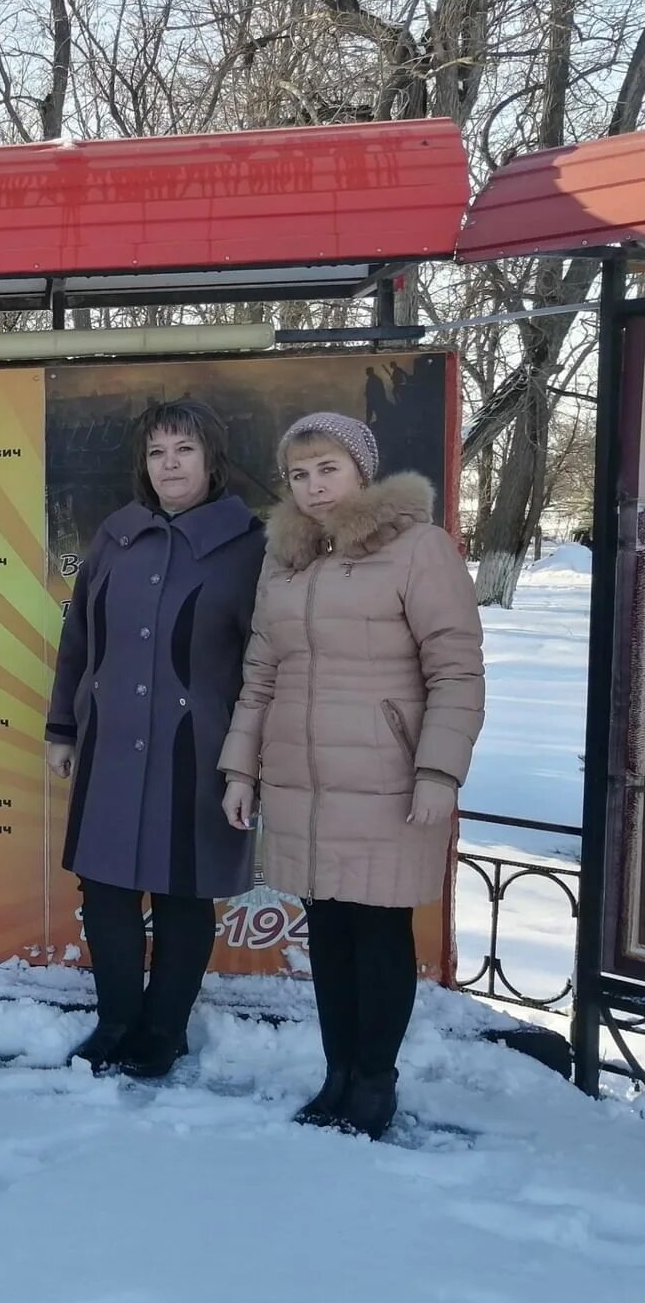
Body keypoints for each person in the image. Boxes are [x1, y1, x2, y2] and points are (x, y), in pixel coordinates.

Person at [220, 413, 484, 1139]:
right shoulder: (286, 561)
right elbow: (261, 673)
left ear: (361, 468)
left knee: (378, 931)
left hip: (389, 779)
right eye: (299, 475)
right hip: (304, 780)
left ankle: (374, 1082)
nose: (313, 487)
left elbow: (456, 669)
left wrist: (438, 769)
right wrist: (242, 767)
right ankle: (337, 1074)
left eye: (327, 469)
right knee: (329, 933)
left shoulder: (419, 549)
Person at [47, 398, 265, 1078]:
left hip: (198, 750)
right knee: (105, 892)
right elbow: (78, 638)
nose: (170, 465)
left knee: (182, 896)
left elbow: (268, 659)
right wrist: (62, 727)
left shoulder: (250, 546)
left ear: (212, 460)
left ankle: (164, 1032)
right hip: (110, 744)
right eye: (157, 453)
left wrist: (248, 761)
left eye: (185, 451)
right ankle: (116, 1023)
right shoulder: (115, 538)